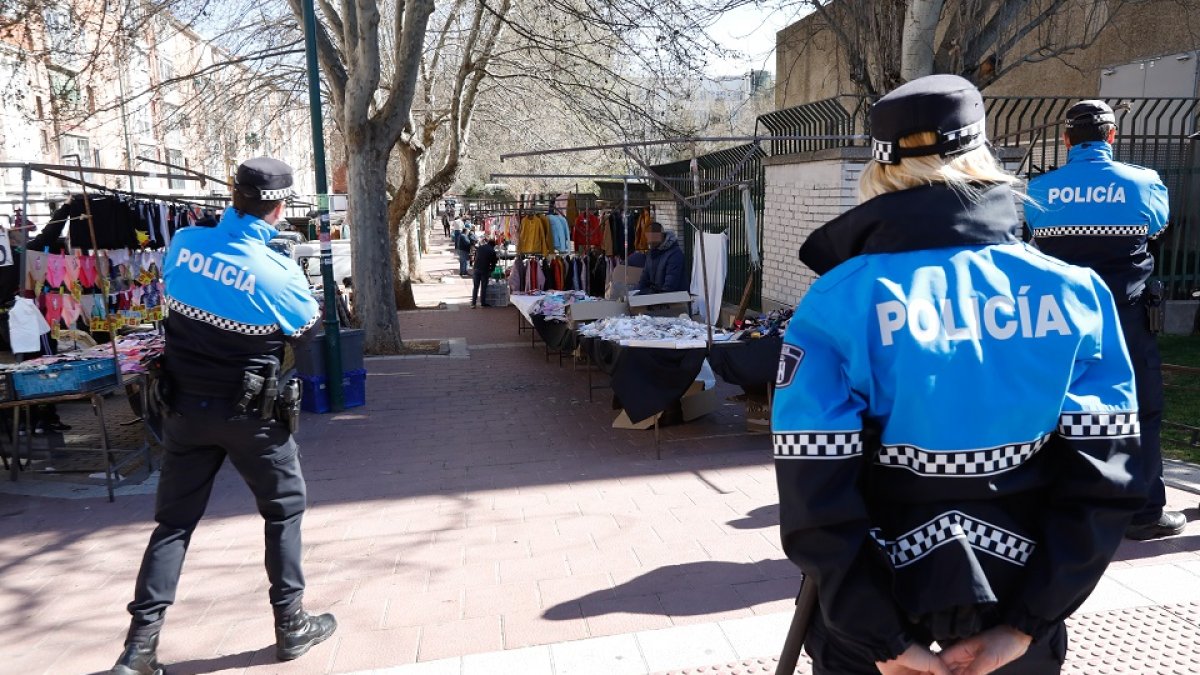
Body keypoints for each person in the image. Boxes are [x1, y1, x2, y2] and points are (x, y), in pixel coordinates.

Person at [774, 75, 1144, 675]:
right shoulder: (1076, 293)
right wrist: (1027, 626)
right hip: (1016, 618)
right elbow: (1104, 483)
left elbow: (815, 492)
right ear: (981, 152)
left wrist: (884, 642)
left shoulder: (836, 303)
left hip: (876, 626)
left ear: (882, 166)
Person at [108, 158, 336, 675]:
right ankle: (291, 625)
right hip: (254, 417)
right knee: (282, 512)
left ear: (234, 199)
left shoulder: (184, 244)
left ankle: (139, 648)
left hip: (185, 410)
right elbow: (307, 329)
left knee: (173, 524)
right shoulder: (277, 273)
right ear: (278, 209)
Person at [1023, 100, 1183, 541]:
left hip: (1060, 321)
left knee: (1055, 409)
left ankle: (1058, 505)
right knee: (1142, 412)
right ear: (1112, 137)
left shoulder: (1040, 190)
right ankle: (1145, 513)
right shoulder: (1144, 183)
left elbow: (1032, 238)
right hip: (1126, 317)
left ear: (1067, 139)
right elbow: (1158, 228)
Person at [634, 222, 685, 294]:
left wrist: (651, 295)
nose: (649, 242)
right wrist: (637, 293)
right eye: (648, 238)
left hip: (675, 299)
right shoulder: (651, 253)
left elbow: (670, 286)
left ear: (661, 236)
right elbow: (644, 279)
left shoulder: (674, 254)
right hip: (658, 297)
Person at [471, 236, 499, 308]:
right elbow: (494, 263)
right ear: (493, 245)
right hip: (484, 270)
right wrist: (491, 271)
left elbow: (475, 257)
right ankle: (482, 303)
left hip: (476, 268)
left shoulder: (480, 247)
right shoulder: (492, 251)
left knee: (476, 286)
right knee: (483, 287)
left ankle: (473, 303)